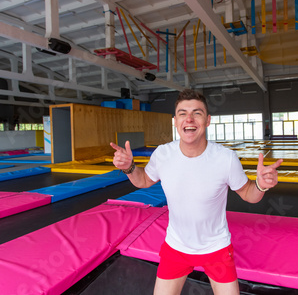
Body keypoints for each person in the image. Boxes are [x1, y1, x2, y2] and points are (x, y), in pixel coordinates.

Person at [110, 89, 283, 295]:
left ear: (208, 120)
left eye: (197, 113)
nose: (189, 119)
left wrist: (261, 185)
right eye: (182, 113)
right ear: (175, 121)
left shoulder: (225, 158)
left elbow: (248, 194)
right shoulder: (163, 154)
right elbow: (144, 180)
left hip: (216, 248)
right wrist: (129, 168)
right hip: (176, 247)